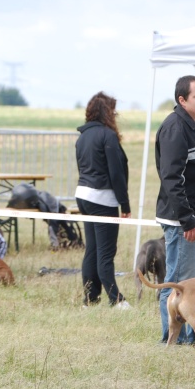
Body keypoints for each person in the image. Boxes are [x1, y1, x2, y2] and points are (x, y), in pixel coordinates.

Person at [155, 75, 195, 344]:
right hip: (184, 221)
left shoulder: (193, 125)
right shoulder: (175, 128)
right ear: (182, 100)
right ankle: (173, 341)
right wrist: (187, 219)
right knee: (179, 283)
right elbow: (171, 178)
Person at [75, 92, 131, 308]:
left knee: (92, 249)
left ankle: (90, 297)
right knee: (106, 252)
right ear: (109, 112)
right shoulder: (107, 136)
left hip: (83, 195)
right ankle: (116, 299)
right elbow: (116, 174)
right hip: (102, 199)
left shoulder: (82, 137)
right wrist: (124, 204)